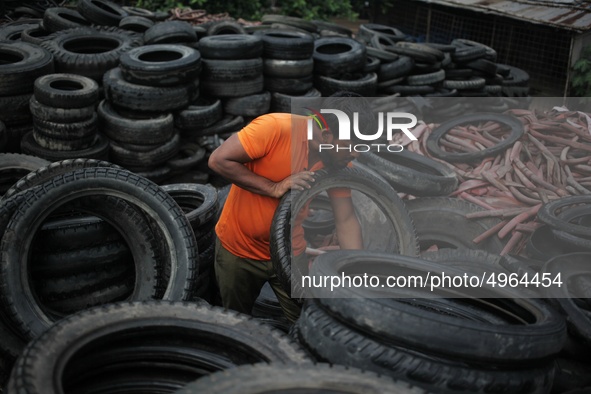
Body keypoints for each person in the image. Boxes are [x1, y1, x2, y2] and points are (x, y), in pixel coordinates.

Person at [208, 93, 375, 323]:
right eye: (352, 146)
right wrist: (273, 187)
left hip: (289, 251)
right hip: (239, 250)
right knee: (235, 321)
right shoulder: (275, 129)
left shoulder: (337, 162)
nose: (355, 154)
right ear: (327, 136)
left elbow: (345, 219)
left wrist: (357, 277)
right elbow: (218, 160)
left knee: (305, 322)